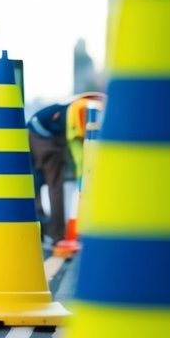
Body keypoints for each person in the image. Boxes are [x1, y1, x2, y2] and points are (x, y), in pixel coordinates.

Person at [27, 92, 103, 242]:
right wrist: (84, 176)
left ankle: (47, 231)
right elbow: (78, 151)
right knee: (53, 185)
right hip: (45, 137)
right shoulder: (83, 111)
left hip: (40, 134)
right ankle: (55, 232)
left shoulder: (77, 107)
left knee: (36, 184)